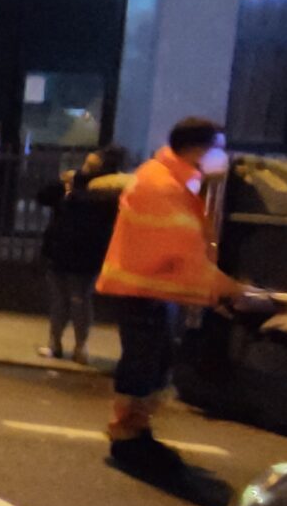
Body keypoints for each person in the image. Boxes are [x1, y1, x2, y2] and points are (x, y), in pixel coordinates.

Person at [97, 118, 249, 474]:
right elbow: (182, 251)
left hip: (148, 288)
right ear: (197, 148)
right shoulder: (162, 185)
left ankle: (134, 431)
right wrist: (226, 288)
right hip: (143, 290)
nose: (221, 155)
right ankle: (128, 436)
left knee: (154, 360)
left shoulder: (170, 178)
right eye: (217, 147)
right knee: (145, 363)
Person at [34, 144, 129, 362]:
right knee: (60, 299)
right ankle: (55, 342)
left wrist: (69, 191)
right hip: (60, 248)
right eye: (87, 162)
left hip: (86, 252)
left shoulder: (107, 190)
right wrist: (63, 184)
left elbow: (84, 208)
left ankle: (80, 345)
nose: (85, 167)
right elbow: (43, 196)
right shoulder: (73, 182)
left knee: (79, 299)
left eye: (92, 164)